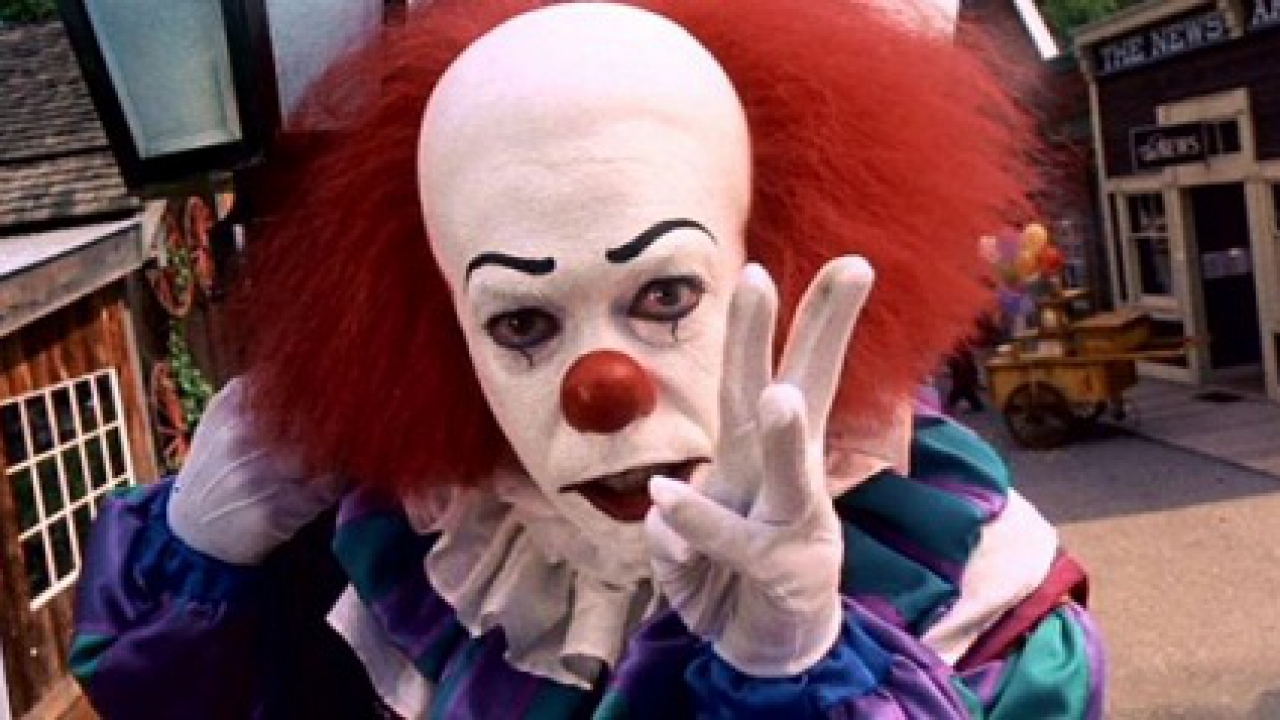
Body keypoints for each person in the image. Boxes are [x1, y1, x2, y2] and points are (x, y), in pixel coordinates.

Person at [71, 1, 1104, 718]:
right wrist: (200, 559)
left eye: (665, 296)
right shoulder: (419, 558)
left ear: (775, 266)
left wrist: (799, 675)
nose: (601, 391)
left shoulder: (964, 587)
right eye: (522, 322)